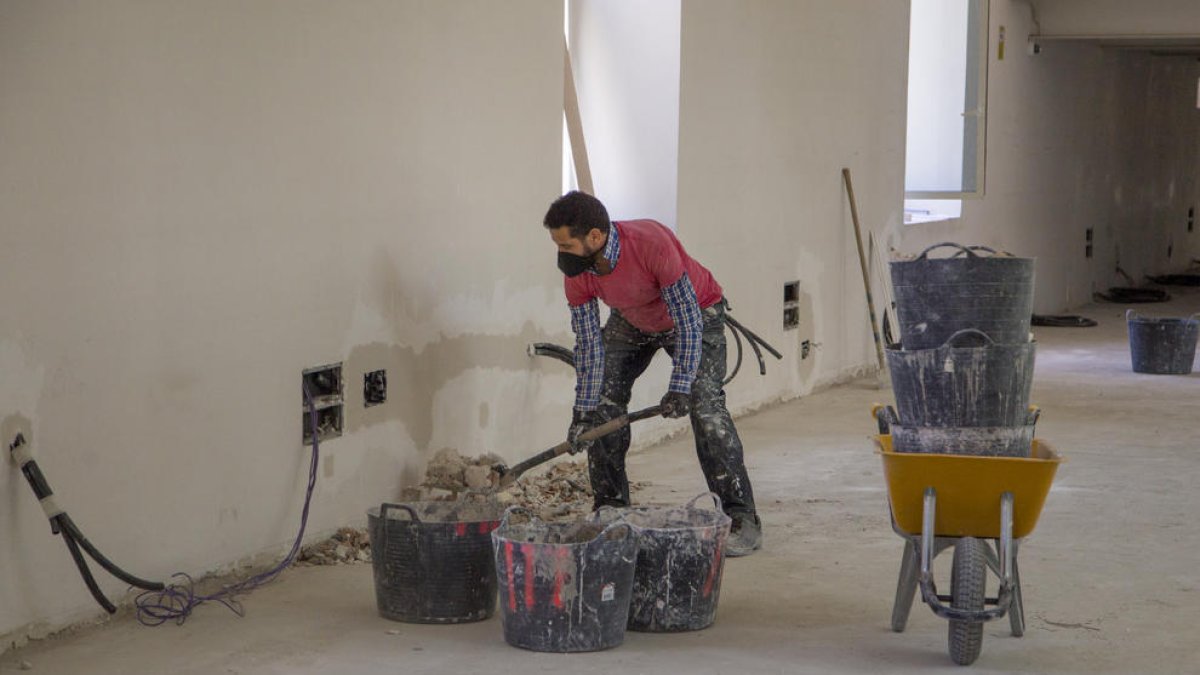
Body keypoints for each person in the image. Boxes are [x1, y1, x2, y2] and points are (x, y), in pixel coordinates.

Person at [543, 191, 762, 556]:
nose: (561, 253)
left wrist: (680, 387)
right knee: (602, 405)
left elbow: (687, 322)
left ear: (595, 237)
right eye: (557, 244)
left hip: (695, 314)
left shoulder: (651, 244)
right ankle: (610, 510)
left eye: (566, 244)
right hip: (632, 319)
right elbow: (589, 346)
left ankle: (741, 517)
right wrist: (582, 413)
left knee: (705, 407)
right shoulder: (579, 273)